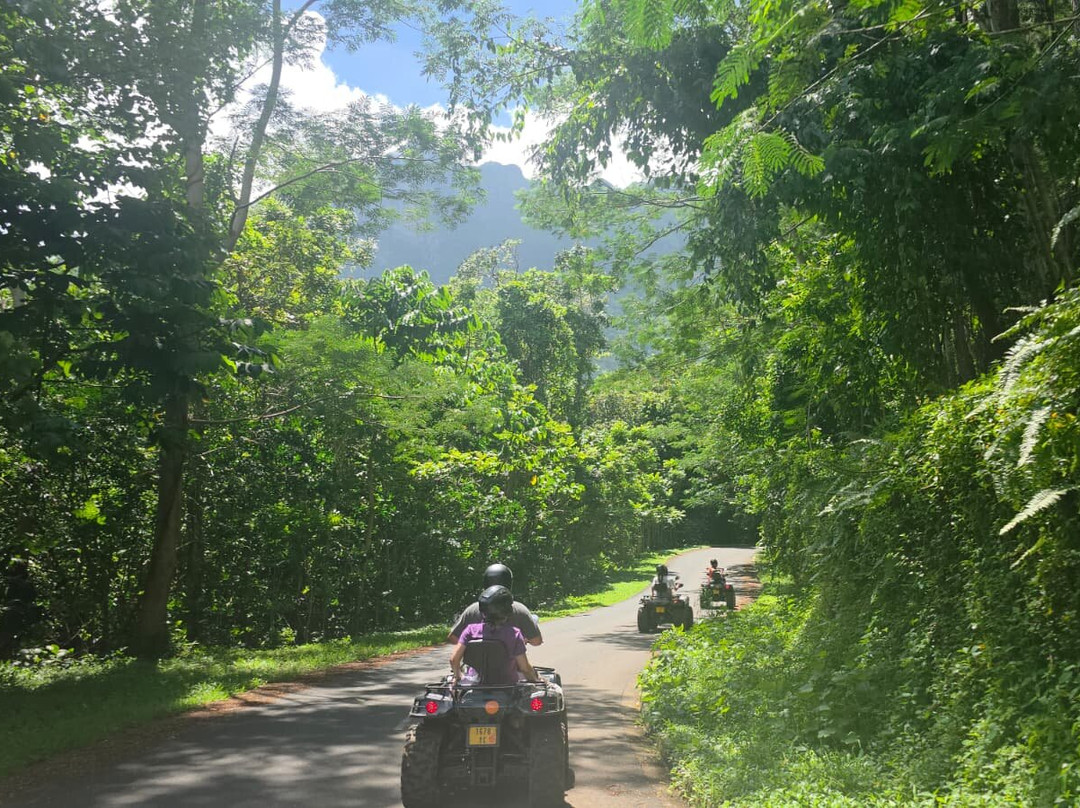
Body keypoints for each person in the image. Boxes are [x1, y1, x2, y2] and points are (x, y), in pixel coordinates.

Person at [450, 585, 543, 684]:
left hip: (476, 684)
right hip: (507, 685)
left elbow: (453, 660)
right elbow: (525, 668)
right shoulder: (514, 634)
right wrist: (536, 680)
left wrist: (459, 676)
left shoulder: (470, 630)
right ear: (508, 610)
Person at [448, 562, 543, 646]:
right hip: (510, 665)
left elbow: (453, 638)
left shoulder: (472, 609)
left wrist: (472, 646)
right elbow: (536, 641)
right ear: (508, 583)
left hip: (477, 664)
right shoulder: (519, 609)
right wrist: (521, 640)